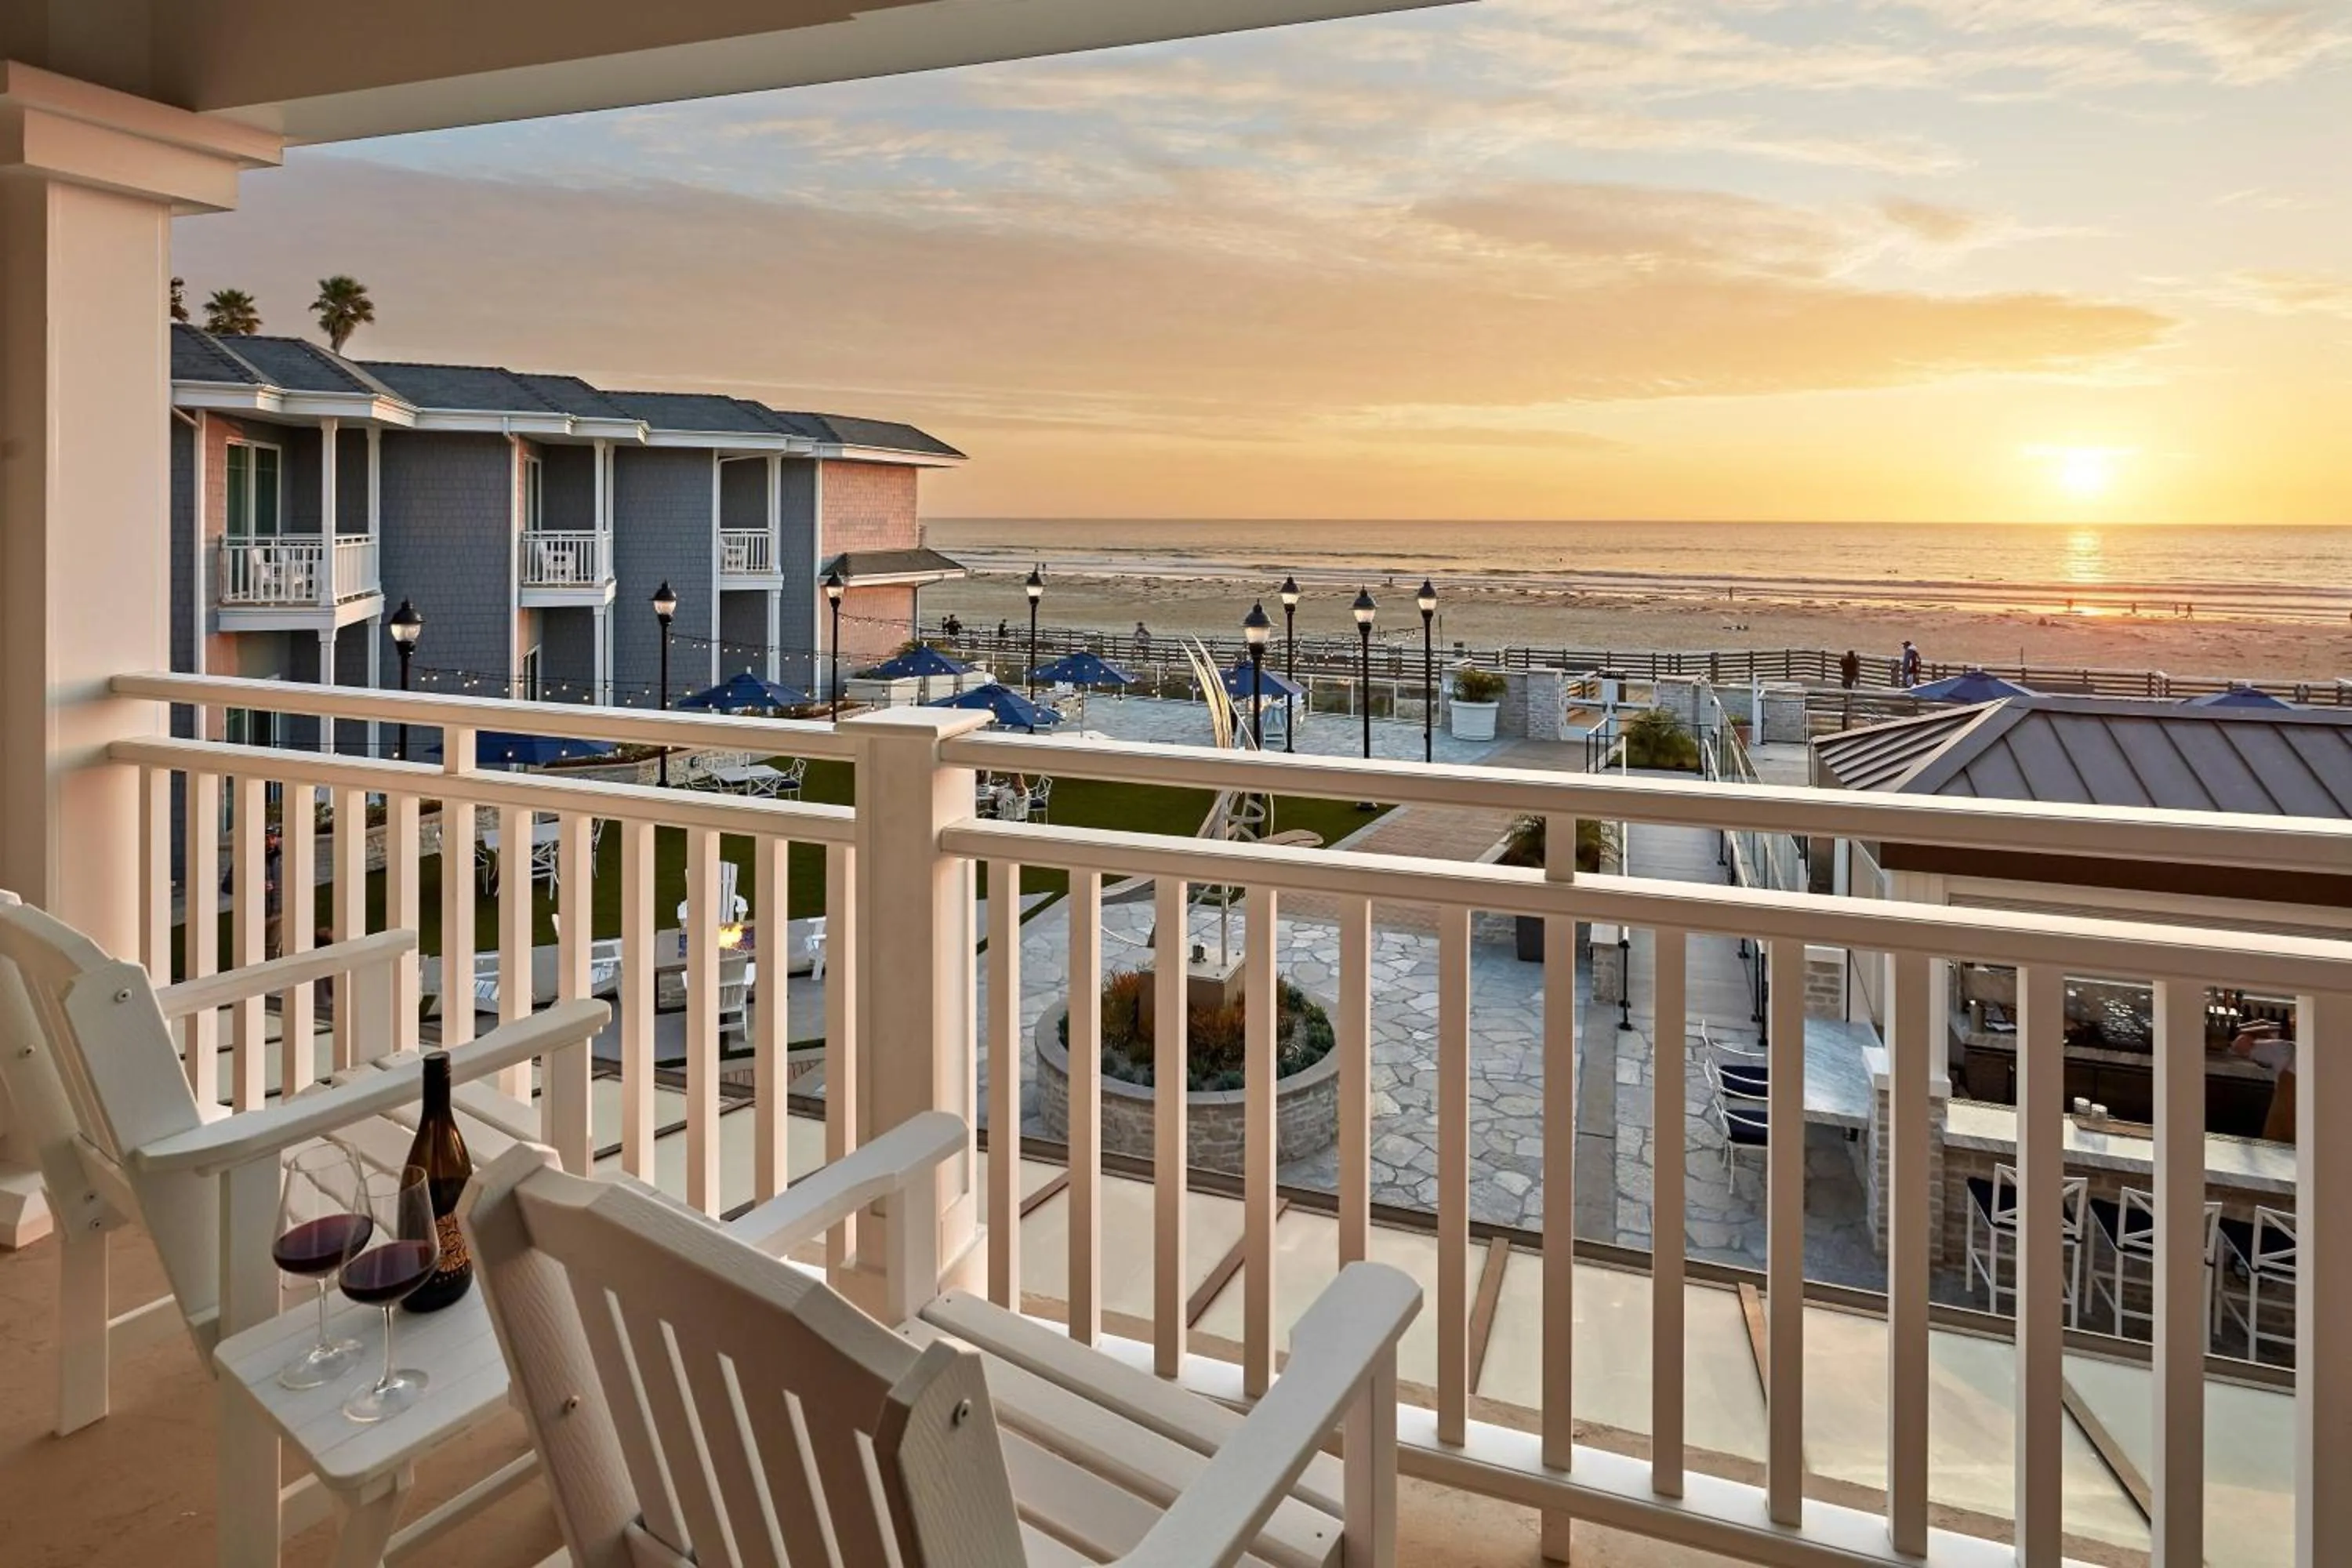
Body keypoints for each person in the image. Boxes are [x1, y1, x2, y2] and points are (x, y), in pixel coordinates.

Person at [2230, 1021, 2297, 1143]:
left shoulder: (2285, 1050)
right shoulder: (2284, 1050)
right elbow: (2239, 1045)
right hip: (2278, 1147)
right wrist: (2251, 1036)